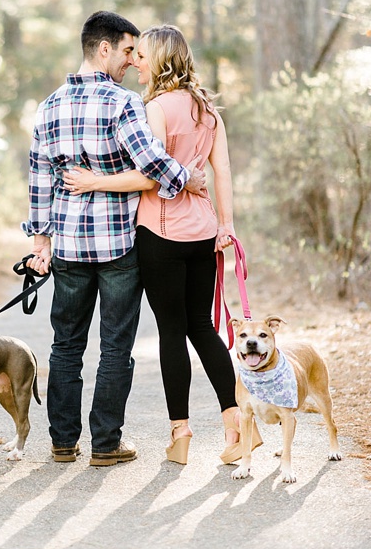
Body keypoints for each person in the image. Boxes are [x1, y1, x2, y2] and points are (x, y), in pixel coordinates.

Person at [64, 24, 262, 465]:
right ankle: (235, 426)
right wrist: (226, 225)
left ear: (160, 60)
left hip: (161, 234)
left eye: (142, 55)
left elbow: (151, 175)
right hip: (205, 234)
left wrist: (94, 181)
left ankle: (181, 432)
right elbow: (223, 171)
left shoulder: (153, 108)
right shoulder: (209, 111)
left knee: (172, 332)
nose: (135, 62)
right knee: (203, 328)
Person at [23, 11, 205, 467]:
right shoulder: (122, 103)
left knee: (65, 345)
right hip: (119, 246)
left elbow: (39, 178)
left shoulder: (49, 105)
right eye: (127, 51)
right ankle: (105, 444)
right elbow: (152, 162)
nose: (130, 61)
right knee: (115, 346)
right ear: (103, 49)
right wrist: (190, 179)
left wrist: (39, 242)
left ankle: (63, 442)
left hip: (66, 244)